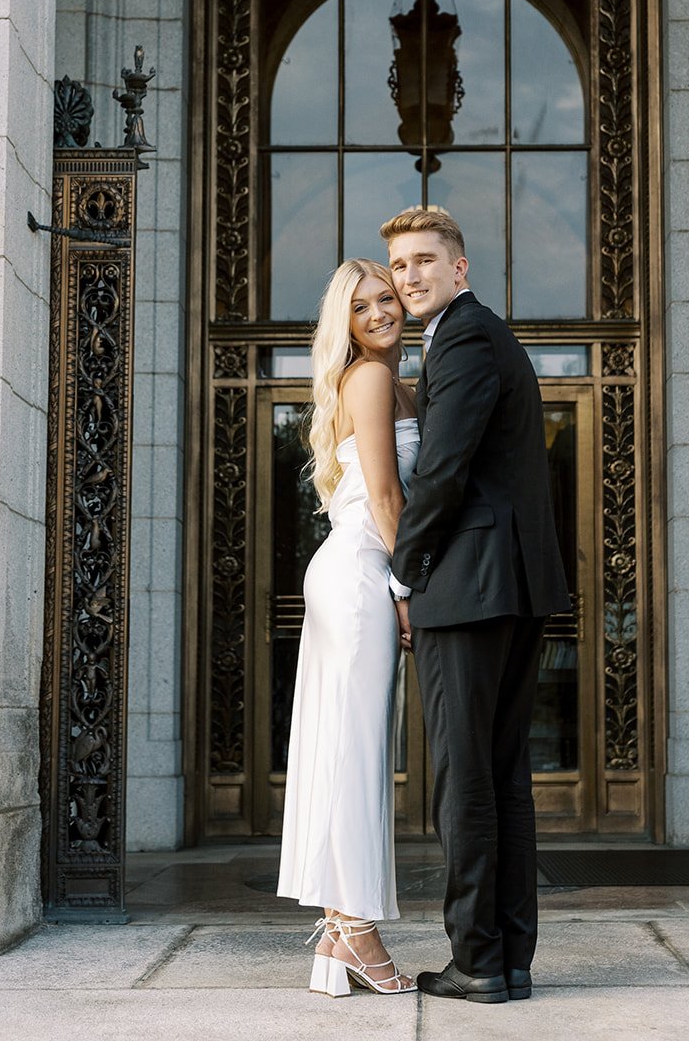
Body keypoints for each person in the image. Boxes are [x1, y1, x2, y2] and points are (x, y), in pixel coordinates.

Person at [382, 206, 570, 1004]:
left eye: (425, 260)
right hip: (515, 584)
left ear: (459, 268)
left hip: (467, 586)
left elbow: (444, 471)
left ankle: (476, 961)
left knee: (463, 780)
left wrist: (402, 572)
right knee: (500, 776)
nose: (410, 276)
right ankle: (509, 958)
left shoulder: (460, 337)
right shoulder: (490, 335)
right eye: (399, 265)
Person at [276, 259, 419, 998]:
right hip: (362, 573)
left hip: (354, 571)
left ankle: (339, 934)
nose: (377, 314)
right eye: (360, 306)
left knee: (349, 751)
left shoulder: (395, 383)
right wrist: (405, 592)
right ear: (346, 321)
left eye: (385, 300)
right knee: (357, 755)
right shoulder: (367, 378)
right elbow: (388, 497)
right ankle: (356, 931)